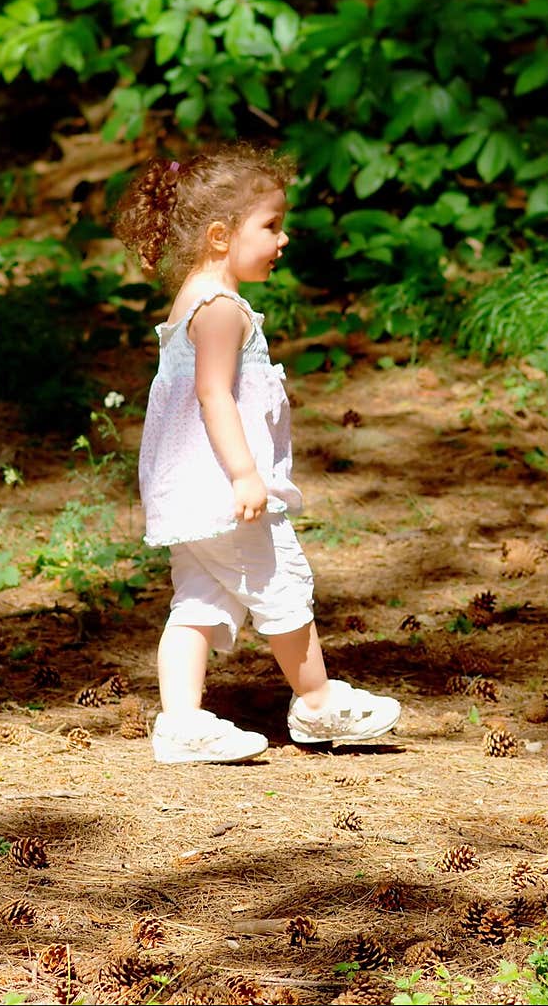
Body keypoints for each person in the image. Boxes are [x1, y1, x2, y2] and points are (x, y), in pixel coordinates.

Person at [113, 142, 402, 764]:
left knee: (198, 599)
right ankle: (317, 701)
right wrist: (246, 476)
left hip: (187, 489)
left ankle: (181, 721)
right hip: (223, 489)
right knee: (279, 587)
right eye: (271, 225)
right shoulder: (219, 308)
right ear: (220, 236)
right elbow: (213, 394)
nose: (283, 238)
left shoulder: (197, 294)